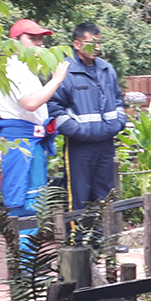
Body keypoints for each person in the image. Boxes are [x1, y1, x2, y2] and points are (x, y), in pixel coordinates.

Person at [0, 19, 69, 216]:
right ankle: (24, 236)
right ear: (15, 42)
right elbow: (30, 103)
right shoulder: (12, 68)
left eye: (40, 39)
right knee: (25, 196)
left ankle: (30, 236)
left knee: (36, 196)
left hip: (33, 138)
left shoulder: (25, 69)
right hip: (20, 139)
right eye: (32, 38)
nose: (38, 44)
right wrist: (56, 80)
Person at [48, 22, 128, 214]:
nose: (97, 48)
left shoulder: (107, 69)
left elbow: (118, 99)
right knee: (79, 195)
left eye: (99, 43)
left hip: (106, 143)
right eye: (91, 43)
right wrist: (77, 130)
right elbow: (53, 106)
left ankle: (103, 232)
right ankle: (79, 232)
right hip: (79, 146)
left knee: (105, 195)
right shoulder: (65, 71)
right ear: (77, 44)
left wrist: (118, 122)